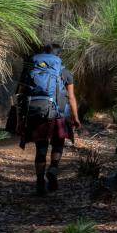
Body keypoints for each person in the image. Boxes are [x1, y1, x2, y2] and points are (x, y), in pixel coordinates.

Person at [15, 43, 80, 196]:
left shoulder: (31, 69)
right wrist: (75, 118)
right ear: (58, 55)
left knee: (41, 149)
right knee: (58, 144)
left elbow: (20, 96)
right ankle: (54, 168)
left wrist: (20, 120)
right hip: (58, 115)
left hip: (36, 112)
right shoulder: (65, 72)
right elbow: (71, 97)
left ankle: (39, 183)